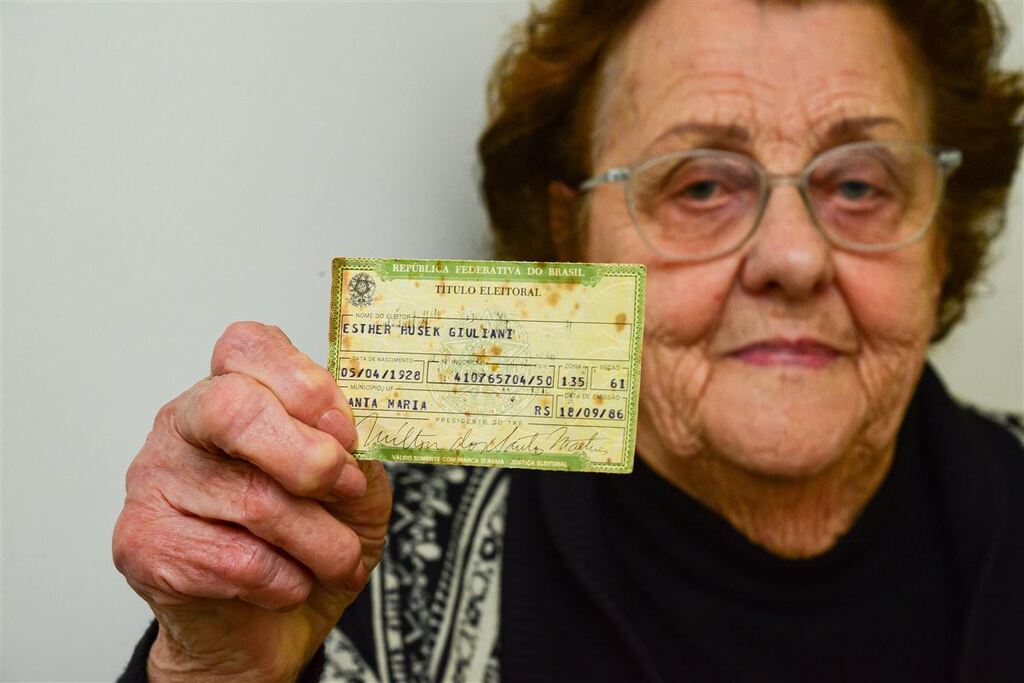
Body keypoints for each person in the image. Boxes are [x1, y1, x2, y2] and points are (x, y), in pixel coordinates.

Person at [114, 0, 1024, 681]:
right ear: (571, 234)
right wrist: (217, 674)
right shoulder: (347, 567)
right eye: (700, 186)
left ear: (944, 236)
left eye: (860, 185)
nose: (793, 256)